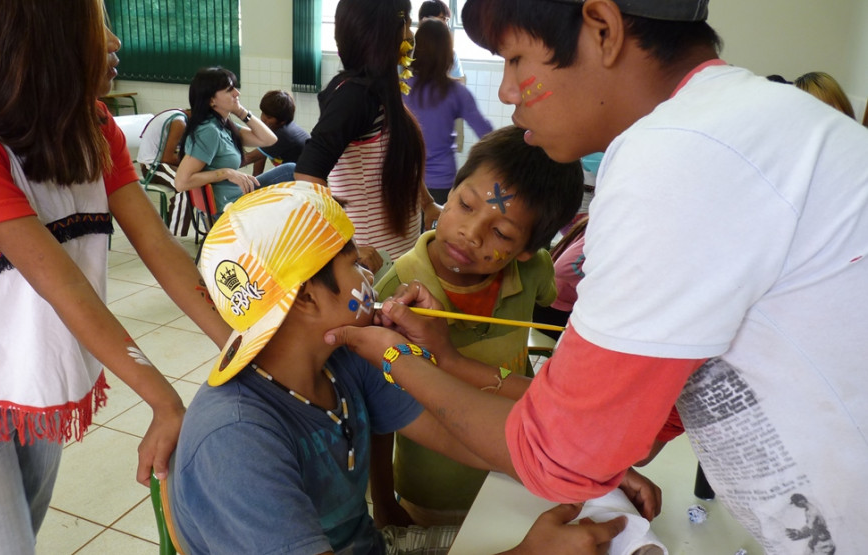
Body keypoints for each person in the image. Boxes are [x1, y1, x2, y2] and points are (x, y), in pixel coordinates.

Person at [323, 0, 868, 552]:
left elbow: (561, 455)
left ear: (602, 29)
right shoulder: (757, 124)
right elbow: (637, 424)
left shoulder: (677, 158)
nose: (508, 91)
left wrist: (393, 357)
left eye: (516, 59)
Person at [167, 181, 637, 554]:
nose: (370, 275)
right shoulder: (235, 440)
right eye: (354, 263)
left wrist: (589, 470)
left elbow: (465, 436)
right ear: (307, 296)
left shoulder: (344, 359)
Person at [0, 1, 232, 552]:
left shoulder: (93, 127)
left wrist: (243, 349)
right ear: (38, 40)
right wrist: (163, 400)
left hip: (30, 380)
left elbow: (160, 249)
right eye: (96, 24)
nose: (114, 40)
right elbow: (66, 289)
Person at [370, 126, 583, 528]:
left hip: (519, 475)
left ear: (525, 250)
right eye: (466, 206)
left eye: (501, 233)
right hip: (432, 491)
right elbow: (376, 408)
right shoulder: (396, 292)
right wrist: (382, 500)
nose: (470, 233)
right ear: (449, 193)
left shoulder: (535, 271)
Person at [294, 0, 439, 274]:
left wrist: (427, 203)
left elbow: (401, 160)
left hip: (398, 257)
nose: (410, 33)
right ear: (386, 31)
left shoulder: (380, 88)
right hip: (372, 268)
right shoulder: (355, 95)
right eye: (406, 21)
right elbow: (306, 177)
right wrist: (345, 245)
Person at [174, 67, 294, 216]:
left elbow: (269, 139)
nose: (237, 93)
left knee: (290, 170)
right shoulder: (209, 131)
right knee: (292, 179)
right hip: (230, 208)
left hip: (240, 197)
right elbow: (181, 182)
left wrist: (240, 111)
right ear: (212, 100)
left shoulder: (222, 124)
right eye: (229, 90)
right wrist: (226, 173)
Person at [404, 19, 493, 205]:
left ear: (417, 49)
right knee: (437, 234)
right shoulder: (456, 92)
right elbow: (487, 134)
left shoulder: (400, 88)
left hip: (407, 180)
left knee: (409, 235)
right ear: (447, 52)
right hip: (443, 182)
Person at [137, 108, 191, 234]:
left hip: (160, 163)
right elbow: (167, 158)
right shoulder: (179, 122)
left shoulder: (179, 115)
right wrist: (192, 163)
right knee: (186, 185)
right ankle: (172, 234)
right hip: (152, 166)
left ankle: (207, 230)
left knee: (198, 179)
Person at [247, 89, 311, 174]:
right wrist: (255, 183)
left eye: (269, 117)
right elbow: (261, 155)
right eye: (263, 113)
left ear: (282, 121)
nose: (263, 119)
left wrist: (224, 166)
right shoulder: (277, 128)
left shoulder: (282, 135)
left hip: (306, 180)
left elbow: (250, 158)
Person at [418, 0, 464, 80]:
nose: (446, 25)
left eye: (447, 20)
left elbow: (459, 83)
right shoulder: (410, 50)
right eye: (442, 19)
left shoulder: (451, 55)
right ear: (425, 20)